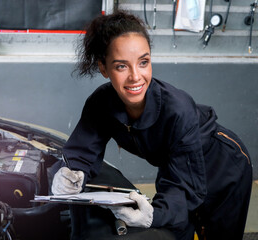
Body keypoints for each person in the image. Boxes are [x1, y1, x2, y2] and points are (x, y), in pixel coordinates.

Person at [51, 11, 253, 240]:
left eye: (143, 62)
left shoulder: (178, 109)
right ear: (104, 68)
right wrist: (72, 172)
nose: (136, 76)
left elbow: (183, 189)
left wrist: (154, 214)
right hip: (178, 165)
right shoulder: (101, 103)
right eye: (121, 66)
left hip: (223, 165)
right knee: (179, 230)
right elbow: (83, 150)